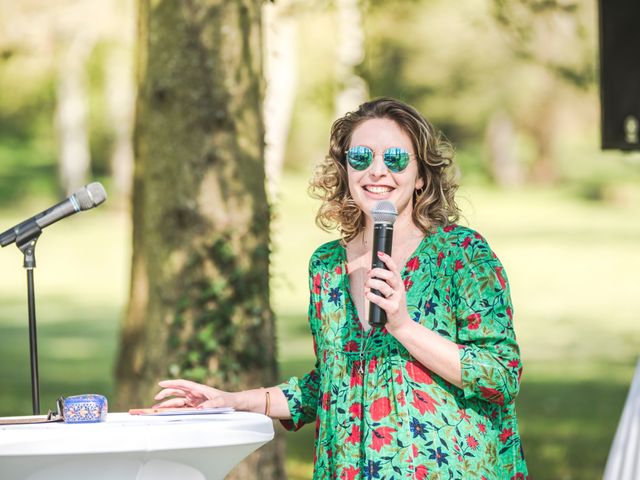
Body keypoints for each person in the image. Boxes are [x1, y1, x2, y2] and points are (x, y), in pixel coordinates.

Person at [154, 97, 529, 479]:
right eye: (361, 157)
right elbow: (333, 382)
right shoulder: (327, 266)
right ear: (345, 170)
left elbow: (500, 376)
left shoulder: (462, 254)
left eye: (396, 158)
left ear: (420, 176)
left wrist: (403, 326)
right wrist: (233, 401)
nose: (377, 171)